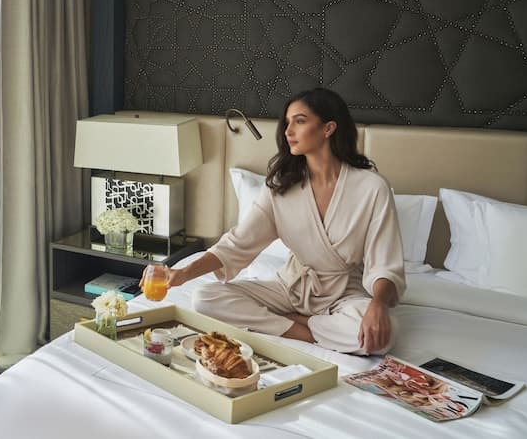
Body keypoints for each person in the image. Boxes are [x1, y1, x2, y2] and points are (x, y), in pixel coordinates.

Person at [144, 88, 406, 355]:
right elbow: (237, 244)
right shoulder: (281, 186)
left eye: (299, 121)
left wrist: (378, 305)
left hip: (344, 294)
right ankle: (304, 331)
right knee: (204, 298)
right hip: (289, 287)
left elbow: (385, 264)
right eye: (287, 122)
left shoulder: (371, 188)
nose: (288, 131)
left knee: (384, 336)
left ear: (328, 128)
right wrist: (183, 274)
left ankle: (292, 322)